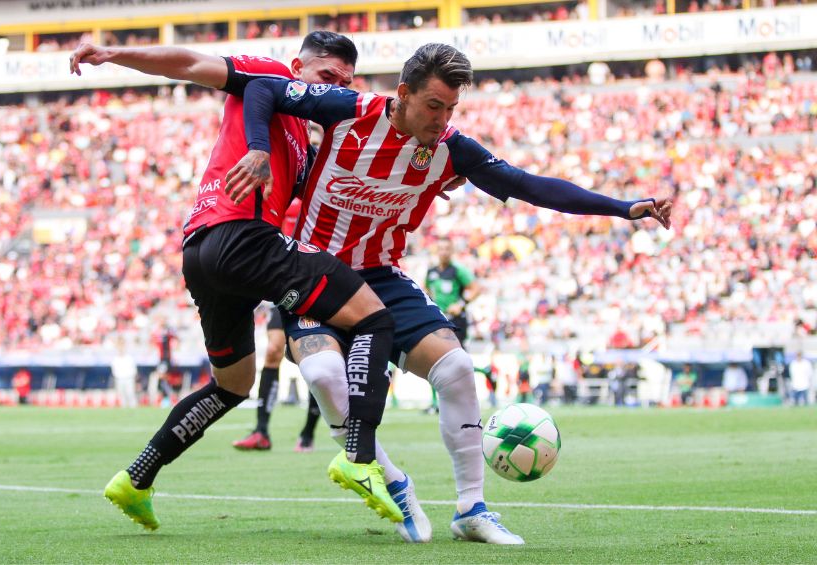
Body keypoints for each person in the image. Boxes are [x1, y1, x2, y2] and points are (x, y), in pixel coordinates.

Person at [231, 42, 672, 544]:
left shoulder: (450, 148)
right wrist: (258, 149)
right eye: (433, 106)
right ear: (403, 94)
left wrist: (624, 208)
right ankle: (395, 482)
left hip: (379, 276)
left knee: (458, 369)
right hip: (312, 274)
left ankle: (472, 509)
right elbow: (264, 88)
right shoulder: (347, 110)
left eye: (451, 109)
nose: (442, 119)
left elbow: (530, 186)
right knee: (325, 375)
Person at [70, 31, 405, 531]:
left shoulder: (302, 140)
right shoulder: (266, 77)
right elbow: (188, 63)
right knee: (375, 317)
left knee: (233, 384)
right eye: (326, 77)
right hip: (239, 239)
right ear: (298, 66)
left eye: (344, 82)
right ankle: (359, 458)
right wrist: (116, 55)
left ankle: (136, 479)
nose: (333, 88)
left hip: (204, 255)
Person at [232, 304, 321, 452]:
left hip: (311, 294)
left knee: (313, 356)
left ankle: (308, 433)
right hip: (282, 296)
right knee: (272, 350)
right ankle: (261, 431)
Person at [423, 237, 480, 412]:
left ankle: (468, 397)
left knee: (459, 360)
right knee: (434, 360)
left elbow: (475, 288)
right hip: (438, 321)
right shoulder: (431, 272)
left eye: (447, 249)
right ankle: (436, 403)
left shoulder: (458, 271)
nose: (443, 252)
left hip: (457, 322)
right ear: (436, 251)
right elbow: (425, 290)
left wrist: (461, 303)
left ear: (452, 251)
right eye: (440, 249)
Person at [111, 336, 139, 408]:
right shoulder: (115, 358)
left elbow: (133, 368)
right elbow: (114, 369)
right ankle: (124, 411)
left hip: (129, 378)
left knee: (130, 394)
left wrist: (133, 376)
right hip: (119, 378)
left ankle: (134, 409)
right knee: (122, 396)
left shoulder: (129, 357)